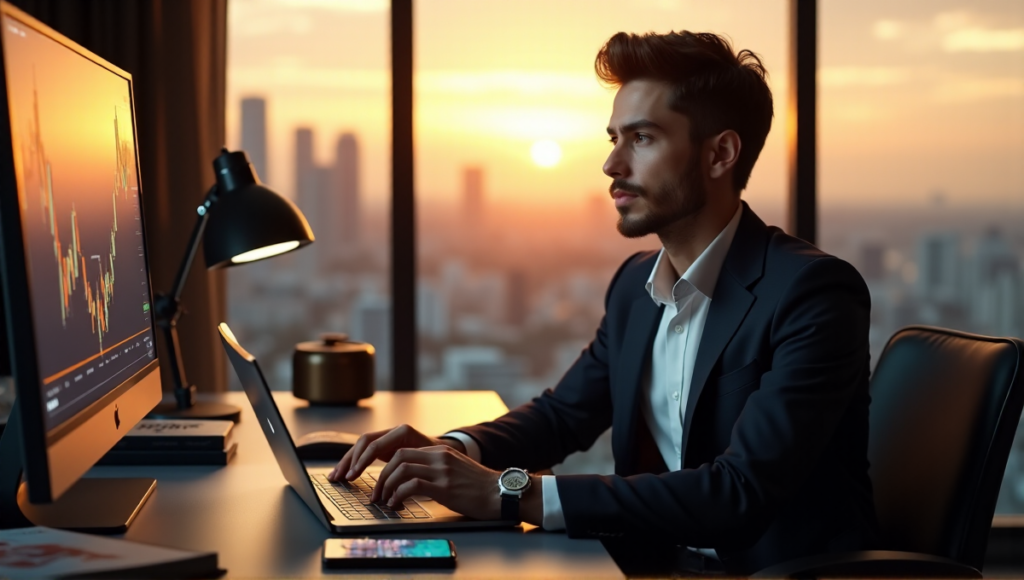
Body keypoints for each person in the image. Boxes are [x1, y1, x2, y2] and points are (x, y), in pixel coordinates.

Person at [328, 30, 877, 575]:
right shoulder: (636, 286)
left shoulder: (812, 293)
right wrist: (451, 452)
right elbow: (563, 416)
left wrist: (510, 493)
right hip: (648, 564)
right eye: (614, 138)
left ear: (720, 154)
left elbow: (739, 492)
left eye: (642, 139)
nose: (612, 165)